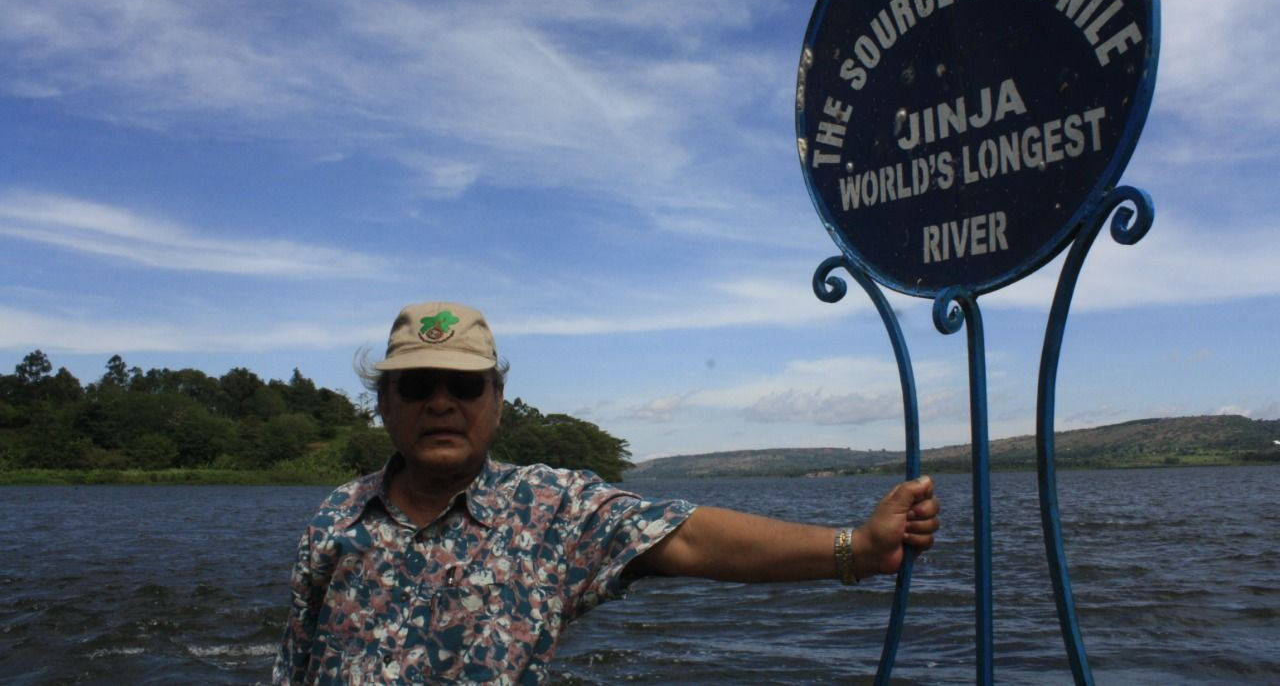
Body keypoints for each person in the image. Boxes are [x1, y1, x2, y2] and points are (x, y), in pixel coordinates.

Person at [274, 301, 940, 684]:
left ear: (497, 401)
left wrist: (858, 547)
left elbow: (693, 538)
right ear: (384, 403)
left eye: (465, 385)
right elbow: (295, 662)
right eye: (418, 385)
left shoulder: (551, 510)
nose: (442, 402)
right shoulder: (337, 516)